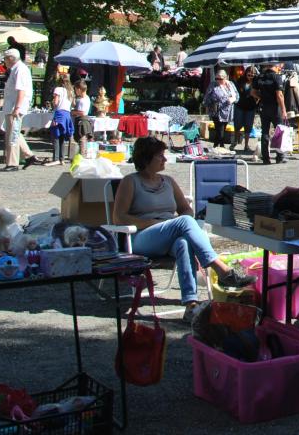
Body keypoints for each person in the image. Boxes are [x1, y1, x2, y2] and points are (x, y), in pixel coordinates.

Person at [111, 137, 253, 322]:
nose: (164, 159)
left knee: (183, 243)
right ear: (146, 159)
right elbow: (119, 217)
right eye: (160, 156)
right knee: (184, 222)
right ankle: (221, 269)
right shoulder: (130, 182)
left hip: (169, 233)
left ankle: (190, 304)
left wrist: (172, 222)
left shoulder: (168, 181)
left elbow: (186, 209)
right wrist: (155, 223)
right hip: (141, 237)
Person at [1, 48, 37, 170]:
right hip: (12, 105)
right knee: (13, 132)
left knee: (12, 135)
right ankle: (29, 155)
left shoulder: (19, 70)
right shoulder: (16, 69)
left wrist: (17, 108)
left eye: (5, 59)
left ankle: (12, 163)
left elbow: (21, 90)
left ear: (11, 59)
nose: (4, 61)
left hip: (15, 106)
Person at [252, 64, 285, 164]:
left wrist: (261, 97)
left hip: (264, 107)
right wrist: (283, 109)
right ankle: (280, 156)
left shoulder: (259, 77)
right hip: (275, 107)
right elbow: (279, 95)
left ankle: (266, 158)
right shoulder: (276, 77)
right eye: (280, 66)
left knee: (265, 132)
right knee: (279, 132)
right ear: (276, 66)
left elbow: (253, 92)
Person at [203, 70, 238, 147]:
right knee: (220, 129)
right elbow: (206, 98)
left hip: (228, 111)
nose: (218, 80)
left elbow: (237, 96)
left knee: (222, 129)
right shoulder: (213, 85)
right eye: (217, 78)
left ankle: (216, 145)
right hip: (216, 111)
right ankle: (221, 146)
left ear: (226, 78)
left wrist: (233, 99)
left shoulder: (231, 84)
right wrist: (212, 102)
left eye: (220, 79)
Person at [230, 66, 258, 154]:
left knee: (248, 127)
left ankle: (246, 145)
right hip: (240, 106)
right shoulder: (240, 81)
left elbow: (260, 95)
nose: (251, 74)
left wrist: (256, 98)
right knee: (237, 125)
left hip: (251, 108)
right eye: (249, 72)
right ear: (246, 73)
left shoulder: (256, 83)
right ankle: (235, 142)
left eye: (253, 73)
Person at [71, 80, 92, 154]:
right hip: (79, 120)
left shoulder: (84, 100)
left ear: (79, 89)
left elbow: (83, 112)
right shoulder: (81, 98)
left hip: (82, 121)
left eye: (76, 89)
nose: (75, 91)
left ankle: (82, 156)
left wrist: (73, 112)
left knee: (82, 140)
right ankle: (80, 155)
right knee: (80, 140)